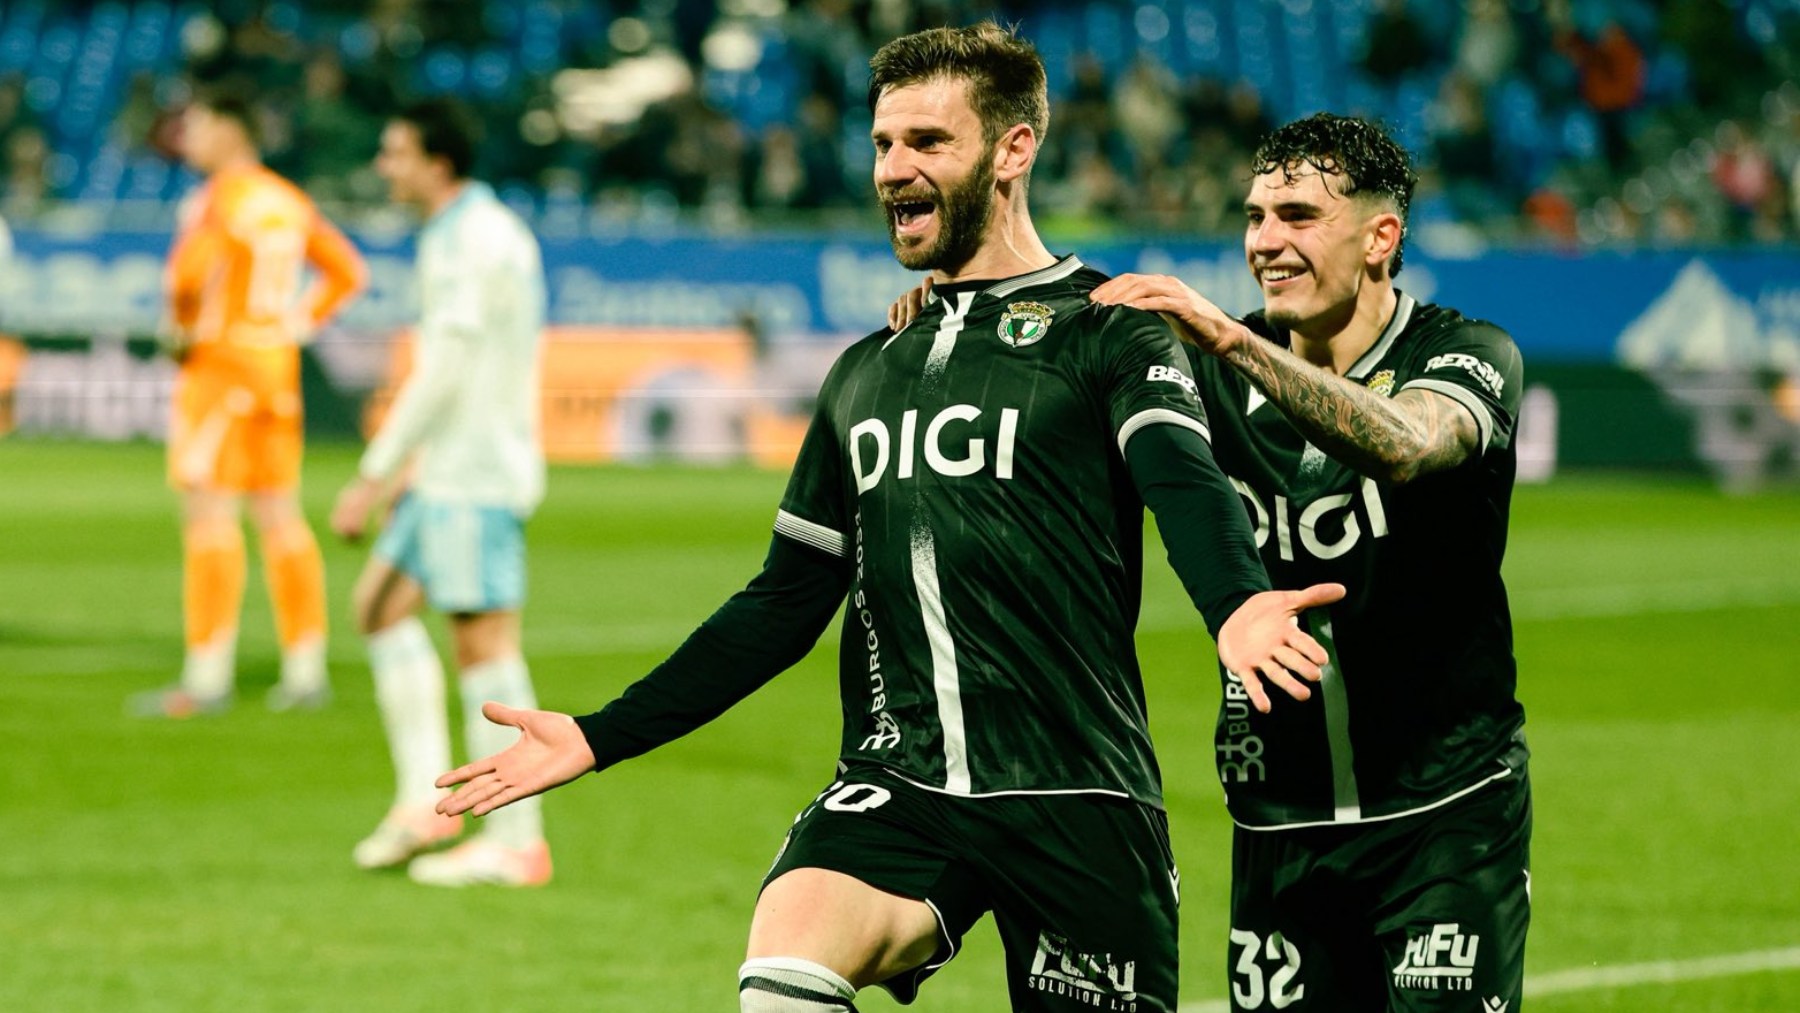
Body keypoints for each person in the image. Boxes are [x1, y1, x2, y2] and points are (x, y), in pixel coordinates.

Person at [435, 23, 1341, 1012]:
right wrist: (599, 733)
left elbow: (1181, 477)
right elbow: (785, 597)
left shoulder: (1112, 325)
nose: (894, 168)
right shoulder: (866, 368)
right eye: (882, 144)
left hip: (1076, 787)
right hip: (897, 781)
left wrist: (1238, 605)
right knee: (782, 976)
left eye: (927, 142)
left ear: (1012, 151)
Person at [1090, 114, 1532, 1012]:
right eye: (1254, 217)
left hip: (1443, 819)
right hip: (1276, 824)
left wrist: (1233, 343)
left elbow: (1408, 442)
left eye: (1296, 216)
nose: (1265, 242)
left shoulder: (1466, 354)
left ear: (1382, 237)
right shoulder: (1199, 374)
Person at [328, 99, 553, 887]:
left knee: (484, 648)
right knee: (379, 608)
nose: (385, 167)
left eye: (395, 153)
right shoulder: (463, 232)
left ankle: (516, 839)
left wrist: (377, 469)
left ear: (437, 161)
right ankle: (423, 803)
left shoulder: (474, 241)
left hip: (477, 471)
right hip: (447, 468)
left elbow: (447, 367)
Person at [131, 91, 366, 718]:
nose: (188, 136)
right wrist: (295, 324)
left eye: (199, 125)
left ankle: (207, 676)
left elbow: (185, 279)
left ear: (232, 131)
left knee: (209, 514)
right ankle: (305, 667)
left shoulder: (216, 199)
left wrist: (179, 331)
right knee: (281, 516)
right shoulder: (288, 199)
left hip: (221, 367)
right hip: (276, 372)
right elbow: (347, 274)